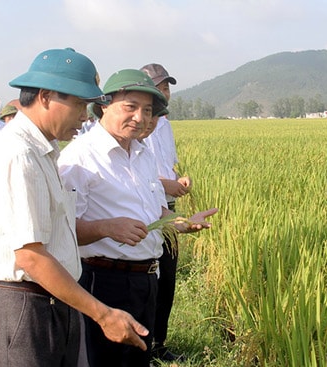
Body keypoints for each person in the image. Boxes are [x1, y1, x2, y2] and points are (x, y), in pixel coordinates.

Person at [0, 48, 148, 367]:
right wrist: (103, 314)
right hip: (24, 308)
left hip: (54, 300)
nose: (85, 115)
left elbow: (57, 236)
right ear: (46, 96)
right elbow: (31, 256)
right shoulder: (18, 153)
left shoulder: (44, 152)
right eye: (80, 104)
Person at [58, 68, 218, 367]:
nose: (140, 117)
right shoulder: (80, 158)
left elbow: (153, 209)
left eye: (147, 110)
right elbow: (61, 231)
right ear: (104, 105)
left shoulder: (142, 153)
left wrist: (179, 223)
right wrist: (106, 228)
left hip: (145, 280)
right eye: (130, 107)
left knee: (137, 360)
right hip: (102, 281)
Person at [140, 63, 191, 362]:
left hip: (167, 209)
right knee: (149, 279)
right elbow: (136, 174)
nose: (164, 93)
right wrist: (167, 184)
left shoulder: (166, 125)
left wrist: (179, 180)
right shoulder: (140, 127)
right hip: (145, 211)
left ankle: (159, 342)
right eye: (158, 87)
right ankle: (142, 344)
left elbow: (167, 167)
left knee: (167, 278)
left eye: (166, 87)